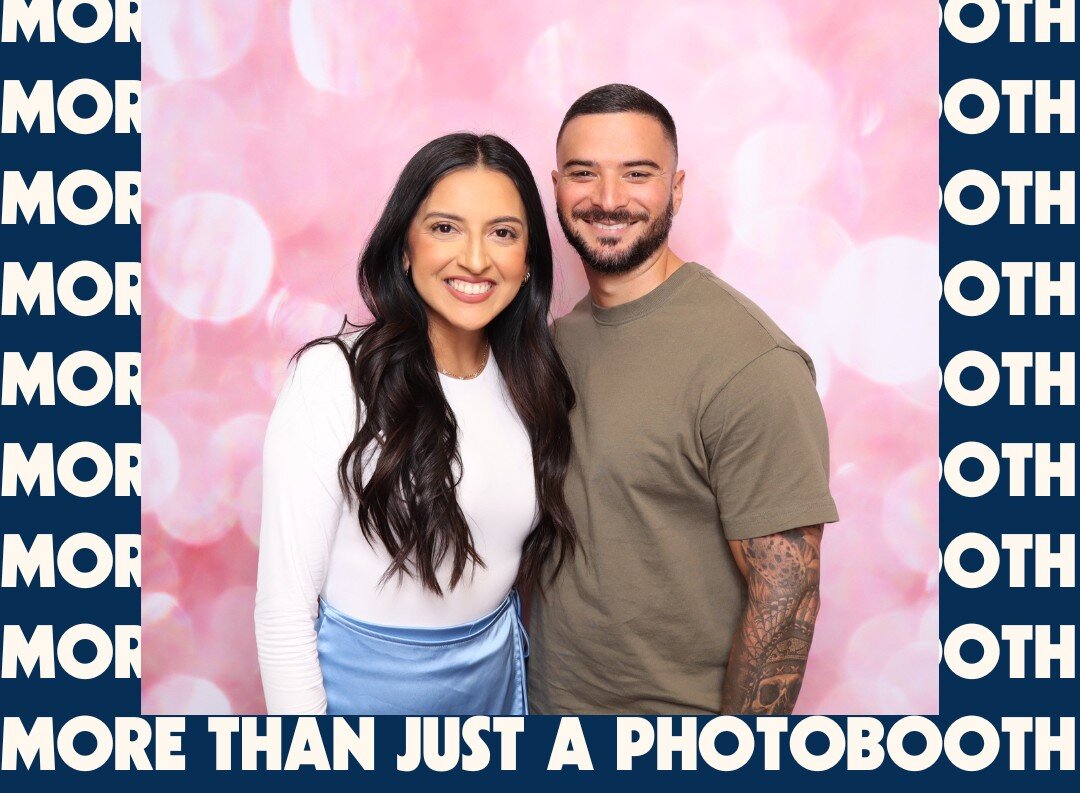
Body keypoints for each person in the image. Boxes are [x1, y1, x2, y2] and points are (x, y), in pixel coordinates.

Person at [528, 84, 839, 715]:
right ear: (556, 186)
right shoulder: (557, 342)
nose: (608, 199)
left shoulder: (752, 363)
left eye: (637, 174)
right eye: (584, 174)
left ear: (676, 188)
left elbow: (786, 601)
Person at [256, 134, 576, 715]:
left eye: (502, 233)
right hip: (362, 702)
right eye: (445, 228)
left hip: (496, 691)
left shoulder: (532, 382)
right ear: (404, 247)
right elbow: (283, 614)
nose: (476, 259)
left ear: (528, 260)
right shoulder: (334, 376)